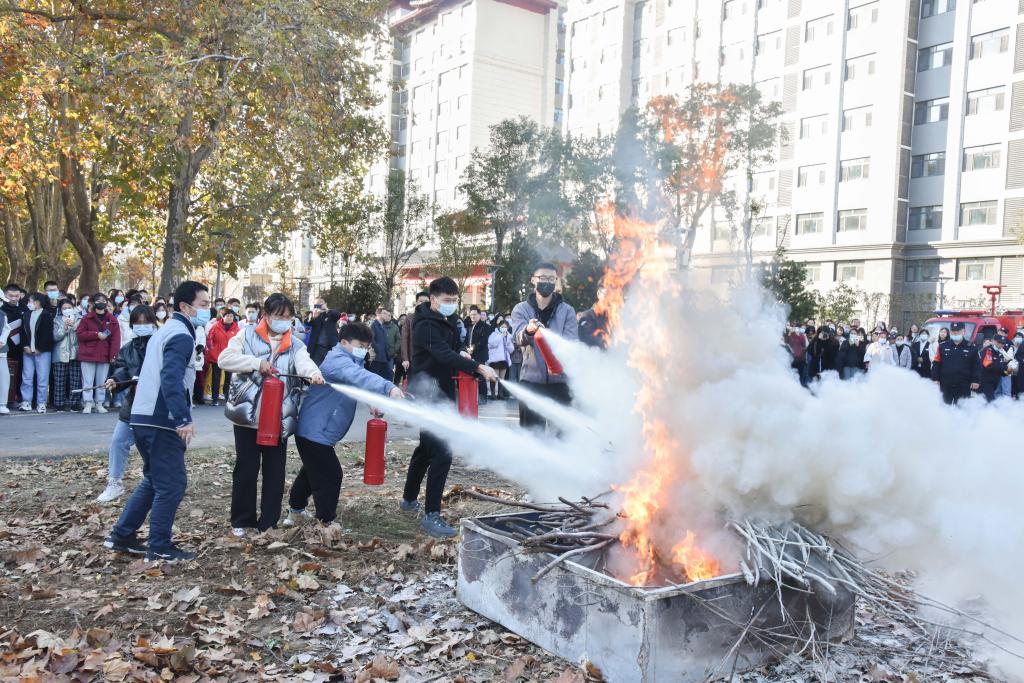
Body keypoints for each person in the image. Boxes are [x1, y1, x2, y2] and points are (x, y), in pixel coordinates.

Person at [104, 281, 211, 563]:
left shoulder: (168, 331)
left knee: (154, 480)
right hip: (160, 419)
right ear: (185, 307)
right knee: (172, 483)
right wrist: (183, 417)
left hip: (143, 416)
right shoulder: (180, 335)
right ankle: (160, 545)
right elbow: (170, 378)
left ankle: (122, 535)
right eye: (202, 305)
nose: (207, 310)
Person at [218, 293, 324, 537]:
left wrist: (313, 374)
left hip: (279, 418)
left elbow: (305, 363)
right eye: (279, 316)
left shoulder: (296, 344)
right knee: (246, 468)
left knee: (275, 472)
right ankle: (242, 520)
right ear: (265, 316)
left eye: (288, 317)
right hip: (248, 416)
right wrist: (256, 363)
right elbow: (225, 359)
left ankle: (268, 523)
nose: (284, 321)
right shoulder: (246, 335)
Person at [402, 277, 497, 538]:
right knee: (442, 453)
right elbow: (442, 354)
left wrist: (464, 354)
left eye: (454, 301)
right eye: (446, 301)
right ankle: (432, 515)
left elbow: (453, 349)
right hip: (427, 396)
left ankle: (409, 500)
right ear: (432, 300)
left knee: (425, 450)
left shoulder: (450, 322)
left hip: (442, 393)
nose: (451, 305)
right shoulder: (423, 325)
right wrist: (477, 366)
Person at [285, 322, 404, 526]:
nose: (364, 350)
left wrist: (371, 402)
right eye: (360, 345)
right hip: (314, 431)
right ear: (344, 342)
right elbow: (358, 377)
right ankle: (326, 521)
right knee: (331, 474)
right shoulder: (339, 361)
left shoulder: (351, 360)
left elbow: (355, 384)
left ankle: (295, 512)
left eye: (367, 347)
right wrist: (388, 388)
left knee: (312, 471)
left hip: (318, 431)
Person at [96, 305, 158, 503]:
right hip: (133, 404)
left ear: (153, 323)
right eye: (138, 323)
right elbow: (122, 369)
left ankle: (158, 482)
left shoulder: (160, 343)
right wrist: (115, 380)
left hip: (156, 405)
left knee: (153, 447)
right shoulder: (128, 348)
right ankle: (115, 483)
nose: (142, 326)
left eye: (146, 322)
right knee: (118, 441)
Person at [511, 262, 578, 429]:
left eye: (551, 279)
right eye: (543, 278)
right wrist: (529, 330)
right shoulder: (521, 309)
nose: (547, 282)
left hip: (560, 384)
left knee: (565, 435)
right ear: (533, 280)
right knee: (532, 436)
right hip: (531, 383)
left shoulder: (567, 311)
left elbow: (570, 342)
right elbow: (518, 338)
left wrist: (556, 361)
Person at [76, 293, 121, 413]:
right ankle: (88, 403)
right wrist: (96, 335)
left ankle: (99, 403)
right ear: (93, 303)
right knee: (87, 380)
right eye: (98, 300)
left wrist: (113, 355)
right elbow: (80, 334)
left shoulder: (112, 320)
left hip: (104, 354)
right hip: (88, 354)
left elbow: (116, 339)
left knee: (102, 381)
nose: (101, 302)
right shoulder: (86, 318)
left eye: (103, 300)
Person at [17, 293, 57, 412]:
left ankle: (41, 403)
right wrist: (25, 346)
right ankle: (26, 402)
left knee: (42, 378)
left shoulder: (46, 315)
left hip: (43, 352)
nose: (29, 303)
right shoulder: (26, 315)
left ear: (38, 302)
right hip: (28, 351)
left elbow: (48, 335)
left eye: (31, 301)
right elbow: (22, 332)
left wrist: (40, 348)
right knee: (27, 377)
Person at [930, 321, 979, 405]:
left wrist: (976, 380)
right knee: (944, 408)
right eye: (953, 331)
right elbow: (936, 363)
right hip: (945, 384)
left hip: (963, 384)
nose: (955, 333)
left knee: (962, 409)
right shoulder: (942, 346)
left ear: (963, 331)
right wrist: (935, 379)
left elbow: (977, 366)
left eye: (958, 331)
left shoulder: (972, 347)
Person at [51, 299, 82, 412]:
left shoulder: (80, 318)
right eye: (64, 308)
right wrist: (64, 329)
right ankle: (59, 403)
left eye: (69, 307)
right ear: (60, 309)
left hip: (75, 353)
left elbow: (82, 334)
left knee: (75, 379)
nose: (67, 310)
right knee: (59, 379)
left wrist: (73, 325)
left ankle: (74, 403)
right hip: (60, 353)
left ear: (73, 307)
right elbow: (55, 337)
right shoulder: (56, 320)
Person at [206, 307, 240, 406]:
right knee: (215, 378)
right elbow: (209, 339)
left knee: (228, 379)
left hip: (230, 356)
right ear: (222, 316)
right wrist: (212, 350)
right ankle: (215, 399)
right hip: (216, 356)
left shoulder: (237, 329)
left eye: (231, 316)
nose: (229, 318)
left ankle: (226, 397)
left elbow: (239, 342)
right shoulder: (215, 326)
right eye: (227, 316)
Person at [2, 283, 26, 408]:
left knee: (19, 373)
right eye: (10, 296)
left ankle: (16, 397)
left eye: (16, 296)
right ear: (5, 295)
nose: (13, 298)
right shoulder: (1, 309)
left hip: (20, 348)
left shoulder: (24, 308)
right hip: (3, 347)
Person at [399, 291, 430, 382]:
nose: (423, 303)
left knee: (428, 386)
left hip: (429, 360)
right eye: (421, 301)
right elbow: (404, 339)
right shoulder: (410, 318)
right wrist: (405, 359)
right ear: (416, 303)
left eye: (426, 301)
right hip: (414, 360)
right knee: (413, 386)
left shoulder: (434, 318)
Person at [465, 306, 491, 402]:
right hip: (469, 354)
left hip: (480, 355)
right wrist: (466, 348)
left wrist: (473, 348)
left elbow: (483, 341)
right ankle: (472, 397)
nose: (473, 316)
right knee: (471, 376)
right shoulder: (469, 326)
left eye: (475, 314)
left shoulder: (485, 326)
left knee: (481, 376)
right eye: (471, 314)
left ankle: (482, 398)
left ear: (479, 315)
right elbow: (467, 340)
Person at [306, 298, 341, 366]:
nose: (319, 306)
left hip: (330, 347)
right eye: (316, 304)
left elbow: (338, 315)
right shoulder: (313, 313)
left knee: (329, 367)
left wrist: (326, 309)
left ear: (325, 304)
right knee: (316, 367)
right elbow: (307, 322)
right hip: (317, 348)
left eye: (320, 304)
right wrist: (313, 317)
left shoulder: (330, 313)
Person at [976, 335, 1009, 403]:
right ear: (993, 341)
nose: (1001, 345)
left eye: (1002, 343)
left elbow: (1002, 370)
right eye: (999, 342)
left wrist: (1009, 371)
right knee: (990, 403)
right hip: (985, 382)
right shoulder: (988, 350)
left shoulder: (1001, 352)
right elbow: (988, 365)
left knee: (986, 403)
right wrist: (1006, 367)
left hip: (994, 383)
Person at [486, 321, 514, 399]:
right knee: (494, 377)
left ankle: (500, 394)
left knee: (502, 378)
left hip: (504, 359)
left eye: (505, 327)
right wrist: (501, 336)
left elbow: (511, 350)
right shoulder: (494, 334)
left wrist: (507, 341)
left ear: (508, 328)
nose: (504, 329)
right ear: (499, 327)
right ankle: (493, 394)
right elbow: (491, 344)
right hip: (495, 359)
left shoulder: (509, 336)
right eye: (502, 327)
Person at [369, 307, 395, 380]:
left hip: (384, 357)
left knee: (388, 376)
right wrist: (377, 349)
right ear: (378, 314)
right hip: (376, 358)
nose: (386, 315)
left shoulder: (383, 326)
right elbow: (372, 339)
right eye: (384, 313)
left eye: (387, 314)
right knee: (374, 378)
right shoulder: (373, 325)